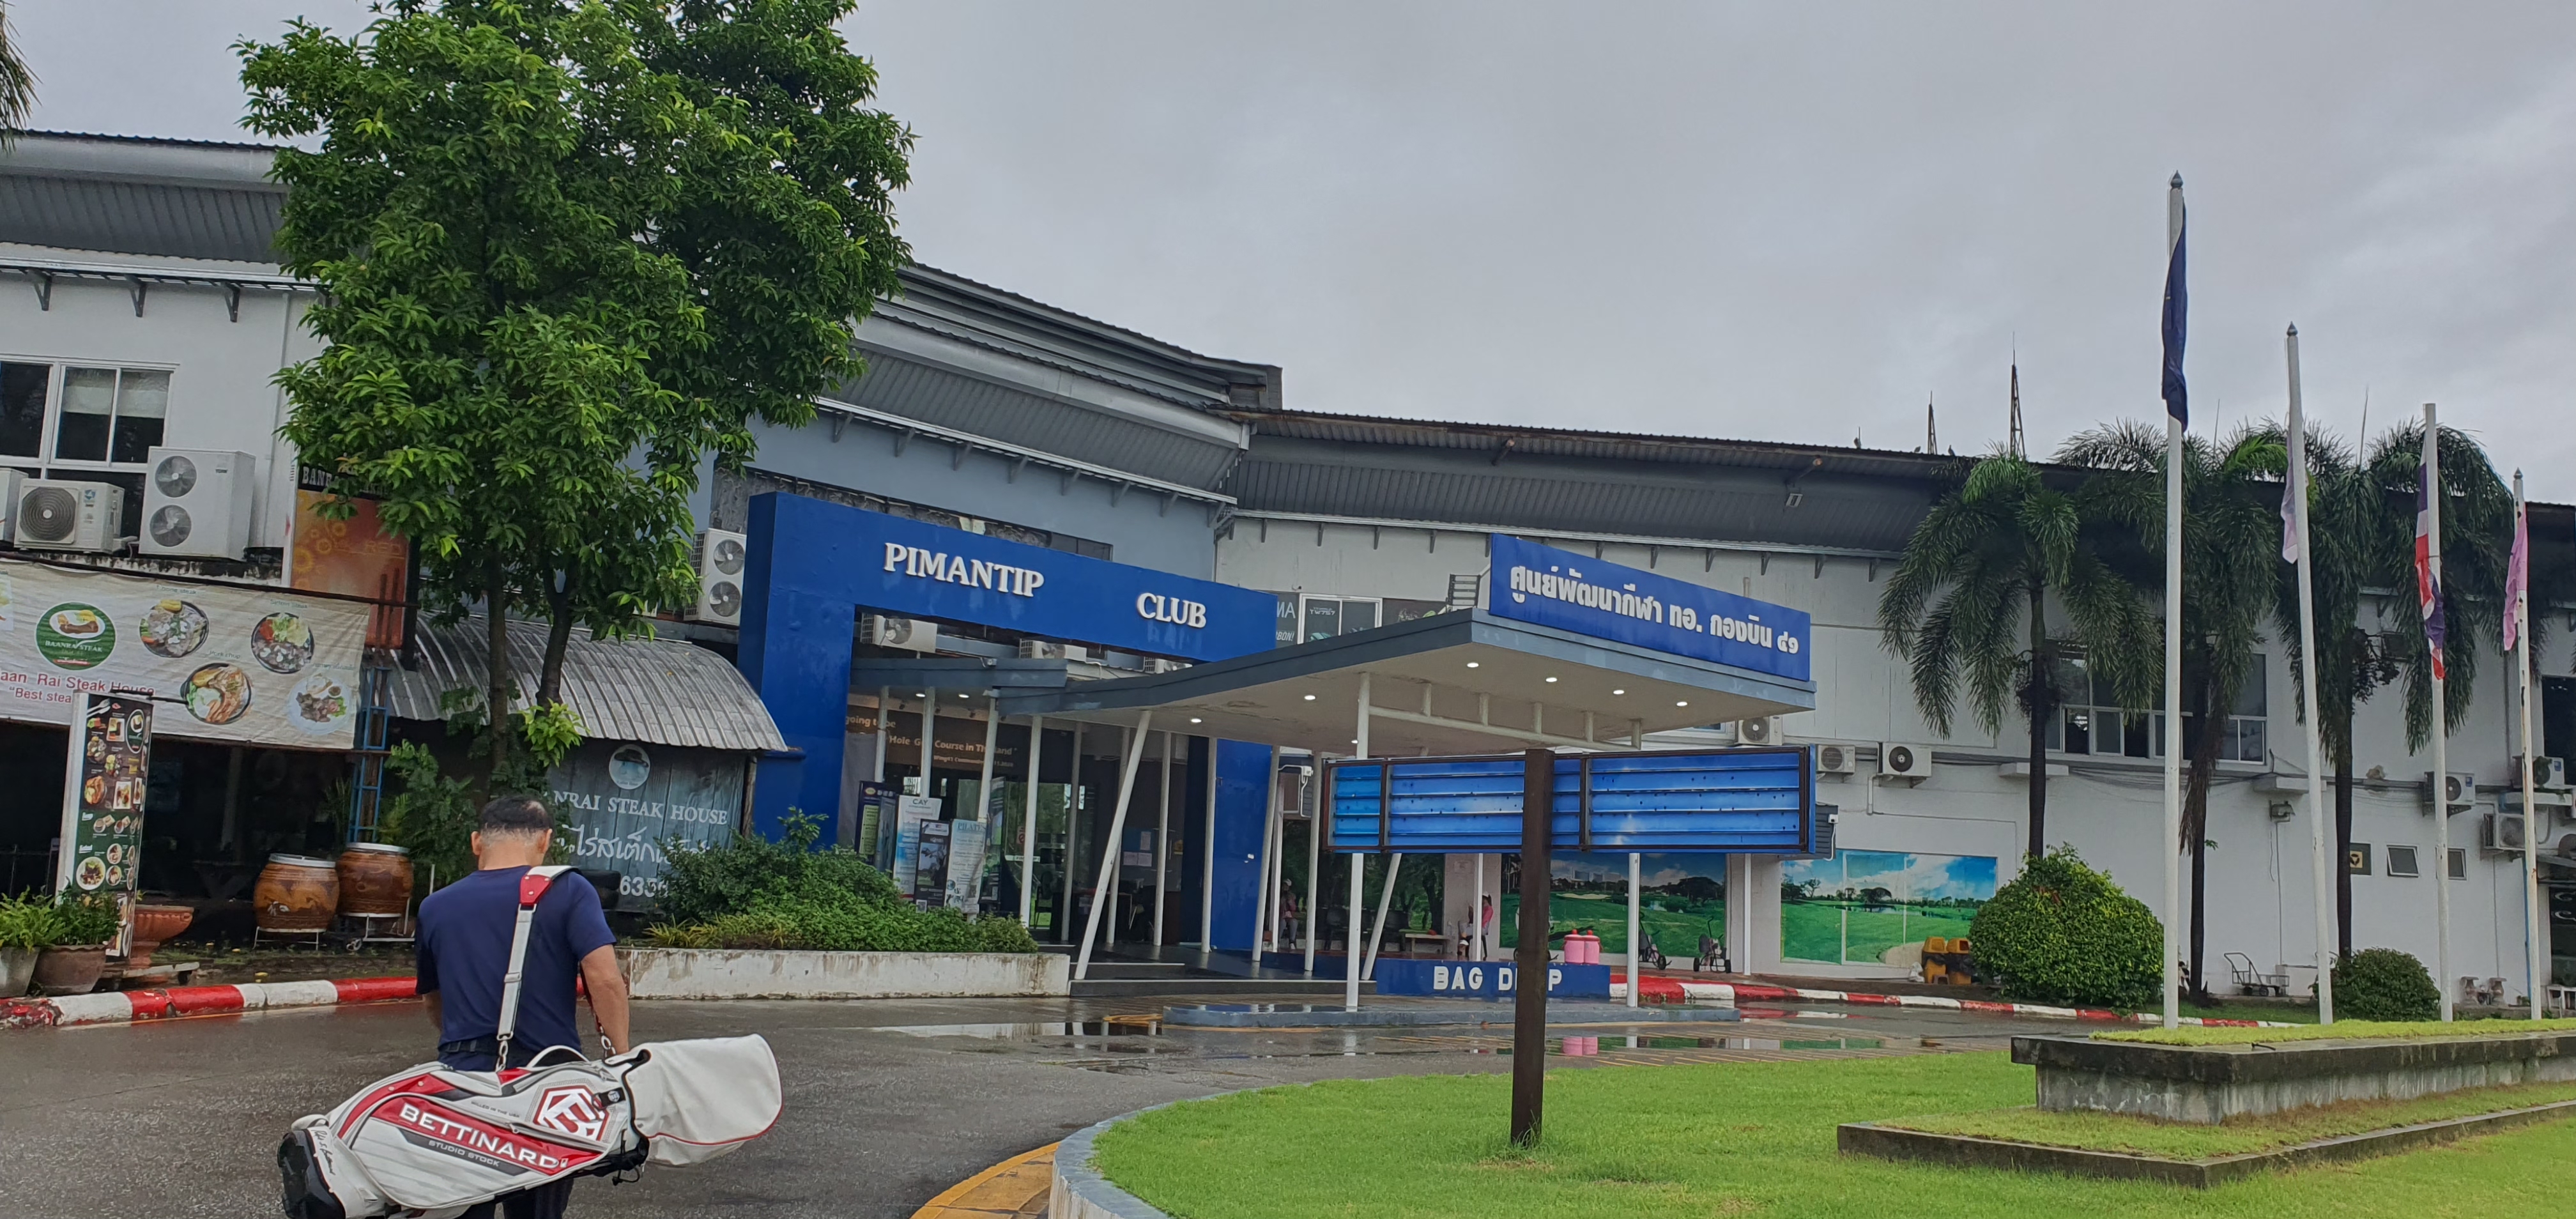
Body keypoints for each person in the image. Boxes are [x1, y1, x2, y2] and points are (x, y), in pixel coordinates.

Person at [416, 794, 631, 1219]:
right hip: (546, 1088)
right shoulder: (569, 890)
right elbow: (605, 979)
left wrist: (466, 1044)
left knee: (463, 1208)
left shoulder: (434, 906)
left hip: (461, 1085)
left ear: (477, 842)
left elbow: (434, 1000)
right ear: (545, 841)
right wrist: (621, 1059)